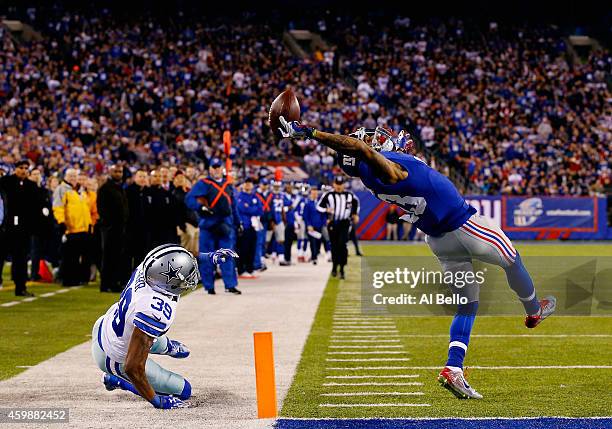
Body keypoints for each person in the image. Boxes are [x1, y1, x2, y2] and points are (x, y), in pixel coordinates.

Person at [279, 117, 557, 399]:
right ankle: (534, 310)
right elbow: (359, 149)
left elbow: (358, 152)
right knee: (512, 259)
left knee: (467, 306)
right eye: (371, 140)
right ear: (365, 150)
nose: (377, 140)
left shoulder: (371, 176)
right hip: (464, 225)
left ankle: (454, 368)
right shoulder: (384, 168)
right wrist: (312, 132)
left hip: (439, 240)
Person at [92, 244, 237, 409]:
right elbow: (132, 367)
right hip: (113, 357)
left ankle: (164, 345)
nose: (191, 277)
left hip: (105, 324)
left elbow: (176, 256)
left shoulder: (151, 266)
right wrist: (158, 401)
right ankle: (117, 380)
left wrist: (208, 257)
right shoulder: (153, 310)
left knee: (146, 332)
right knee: (183, 391)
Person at [185, 158, 241, 295]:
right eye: (213, 167)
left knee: (227, 255)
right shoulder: (203, 183)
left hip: (225, 225)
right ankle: (209, 286)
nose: (216, 169)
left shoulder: (228, 184)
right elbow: (189, 199)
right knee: (207, 256)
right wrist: (201, 207)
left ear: (222, 168)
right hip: (208, 225)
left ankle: (230, 285)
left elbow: (233, 205)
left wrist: (238, 222)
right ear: (209, 169)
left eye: (218, 167)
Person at [0, 160, 37, 296]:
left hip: (23, 230)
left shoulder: (31, 186)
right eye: (21, 167)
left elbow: (34, 209)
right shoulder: (5, 182)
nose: (23, 170)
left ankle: (20, 287)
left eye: (26, 168)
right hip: (6, 228)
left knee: (20, 260)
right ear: (15, 169)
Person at [53, 168, 92, 287]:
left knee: (78, 257)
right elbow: (58, 207)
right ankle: (67, 279)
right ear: (65, 177)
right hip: (71, 228)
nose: (73, 178)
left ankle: (76, 278)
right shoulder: (62, 189)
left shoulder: (80, 190)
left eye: (75, 176)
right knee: (69, 257)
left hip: (83, 229)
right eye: (70, 176)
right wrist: (61, 223)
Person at [316, 176, 359, 279]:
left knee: (342, 244)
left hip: (345, 222)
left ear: (344, 185)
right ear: (334, 184)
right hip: (333, 223)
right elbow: (319, 207)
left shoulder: (349, 195)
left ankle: (342, 268)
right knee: (334, 246)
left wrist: (355, 214)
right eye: (337, 184)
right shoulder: (328, 195)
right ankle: (335, 267)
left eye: (341, 184)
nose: (339, 186)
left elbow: (356, 203)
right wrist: (327, 210)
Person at [97, 164, 129, 292]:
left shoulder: (120, 188)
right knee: (108, 256)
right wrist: (108, 224)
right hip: (110, 228)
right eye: (116, 171)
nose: (118, 174)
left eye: (120, 172)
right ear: (110, 172)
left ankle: (115, 283)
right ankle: (105, 284)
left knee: (117, 256)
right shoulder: (105, 188)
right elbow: (102, 208)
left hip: (120, 228)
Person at [28, 168, 54, 281]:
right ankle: (33, 274)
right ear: (30, 176)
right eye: (34, 174)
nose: (36, 176)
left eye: (38, 174)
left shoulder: (44, 191)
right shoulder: (27, 189)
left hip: (43, 226)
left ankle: (37, 272)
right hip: (31, 226)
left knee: (40, 251)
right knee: (34, 251)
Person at [236, 177, 263, 277]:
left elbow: (260, 210)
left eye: (250, 183)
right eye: (246, 183)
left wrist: (250, 208)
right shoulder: (239, 196)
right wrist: (252, 209)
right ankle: (242, 269)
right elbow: (241, 208)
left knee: (252, 247)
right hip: (244, 225)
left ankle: (250, 268)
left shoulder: (255, 197)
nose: (248, 185)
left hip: (254, 226)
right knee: (243, 248)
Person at [147, 169, 181, 247]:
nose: (158, 178)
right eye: (155, 176)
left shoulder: (167, 194)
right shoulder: (146, 193)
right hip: (151, 231)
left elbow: (173, 212)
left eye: (160, 176)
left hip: (166, 231)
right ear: (150, 178)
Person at [126, 170, 150, 271]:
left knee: (142, 255)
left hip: (145, 229)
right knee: (129, 254)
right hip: (131, 229)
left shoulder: (148, 192)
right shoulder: (128, 191)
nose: (142, 179)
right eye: (140, 176)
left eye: (144, 177)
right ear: (135, 178)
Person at [303, 186, 327, 264]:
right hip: (311, 226)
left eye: (316, 193)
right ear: (310, 194)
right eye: (313, 193)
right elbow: (306, 216)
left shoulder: (320, 203)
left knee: (318, 242)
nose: (314, 195)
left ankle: (316, 254)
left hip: (319, 225)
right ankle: (314, 258)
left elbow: (323, 214)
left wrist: (324, 223)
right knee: (312, 242)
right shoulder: (308, 204)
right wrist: (308, 225)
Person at [254, 178, 273, 271]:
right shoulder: (255, 194)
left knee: (263, 241)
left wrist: (272, 220)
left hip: (265, 220)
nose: (264, 186)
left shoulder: (269, 194)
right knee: (258, 241)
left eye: (266, 184)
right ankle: (258, 261)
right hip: (256, 220)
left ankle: (261, 259)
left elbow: (271, 207)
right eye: (263, 184)